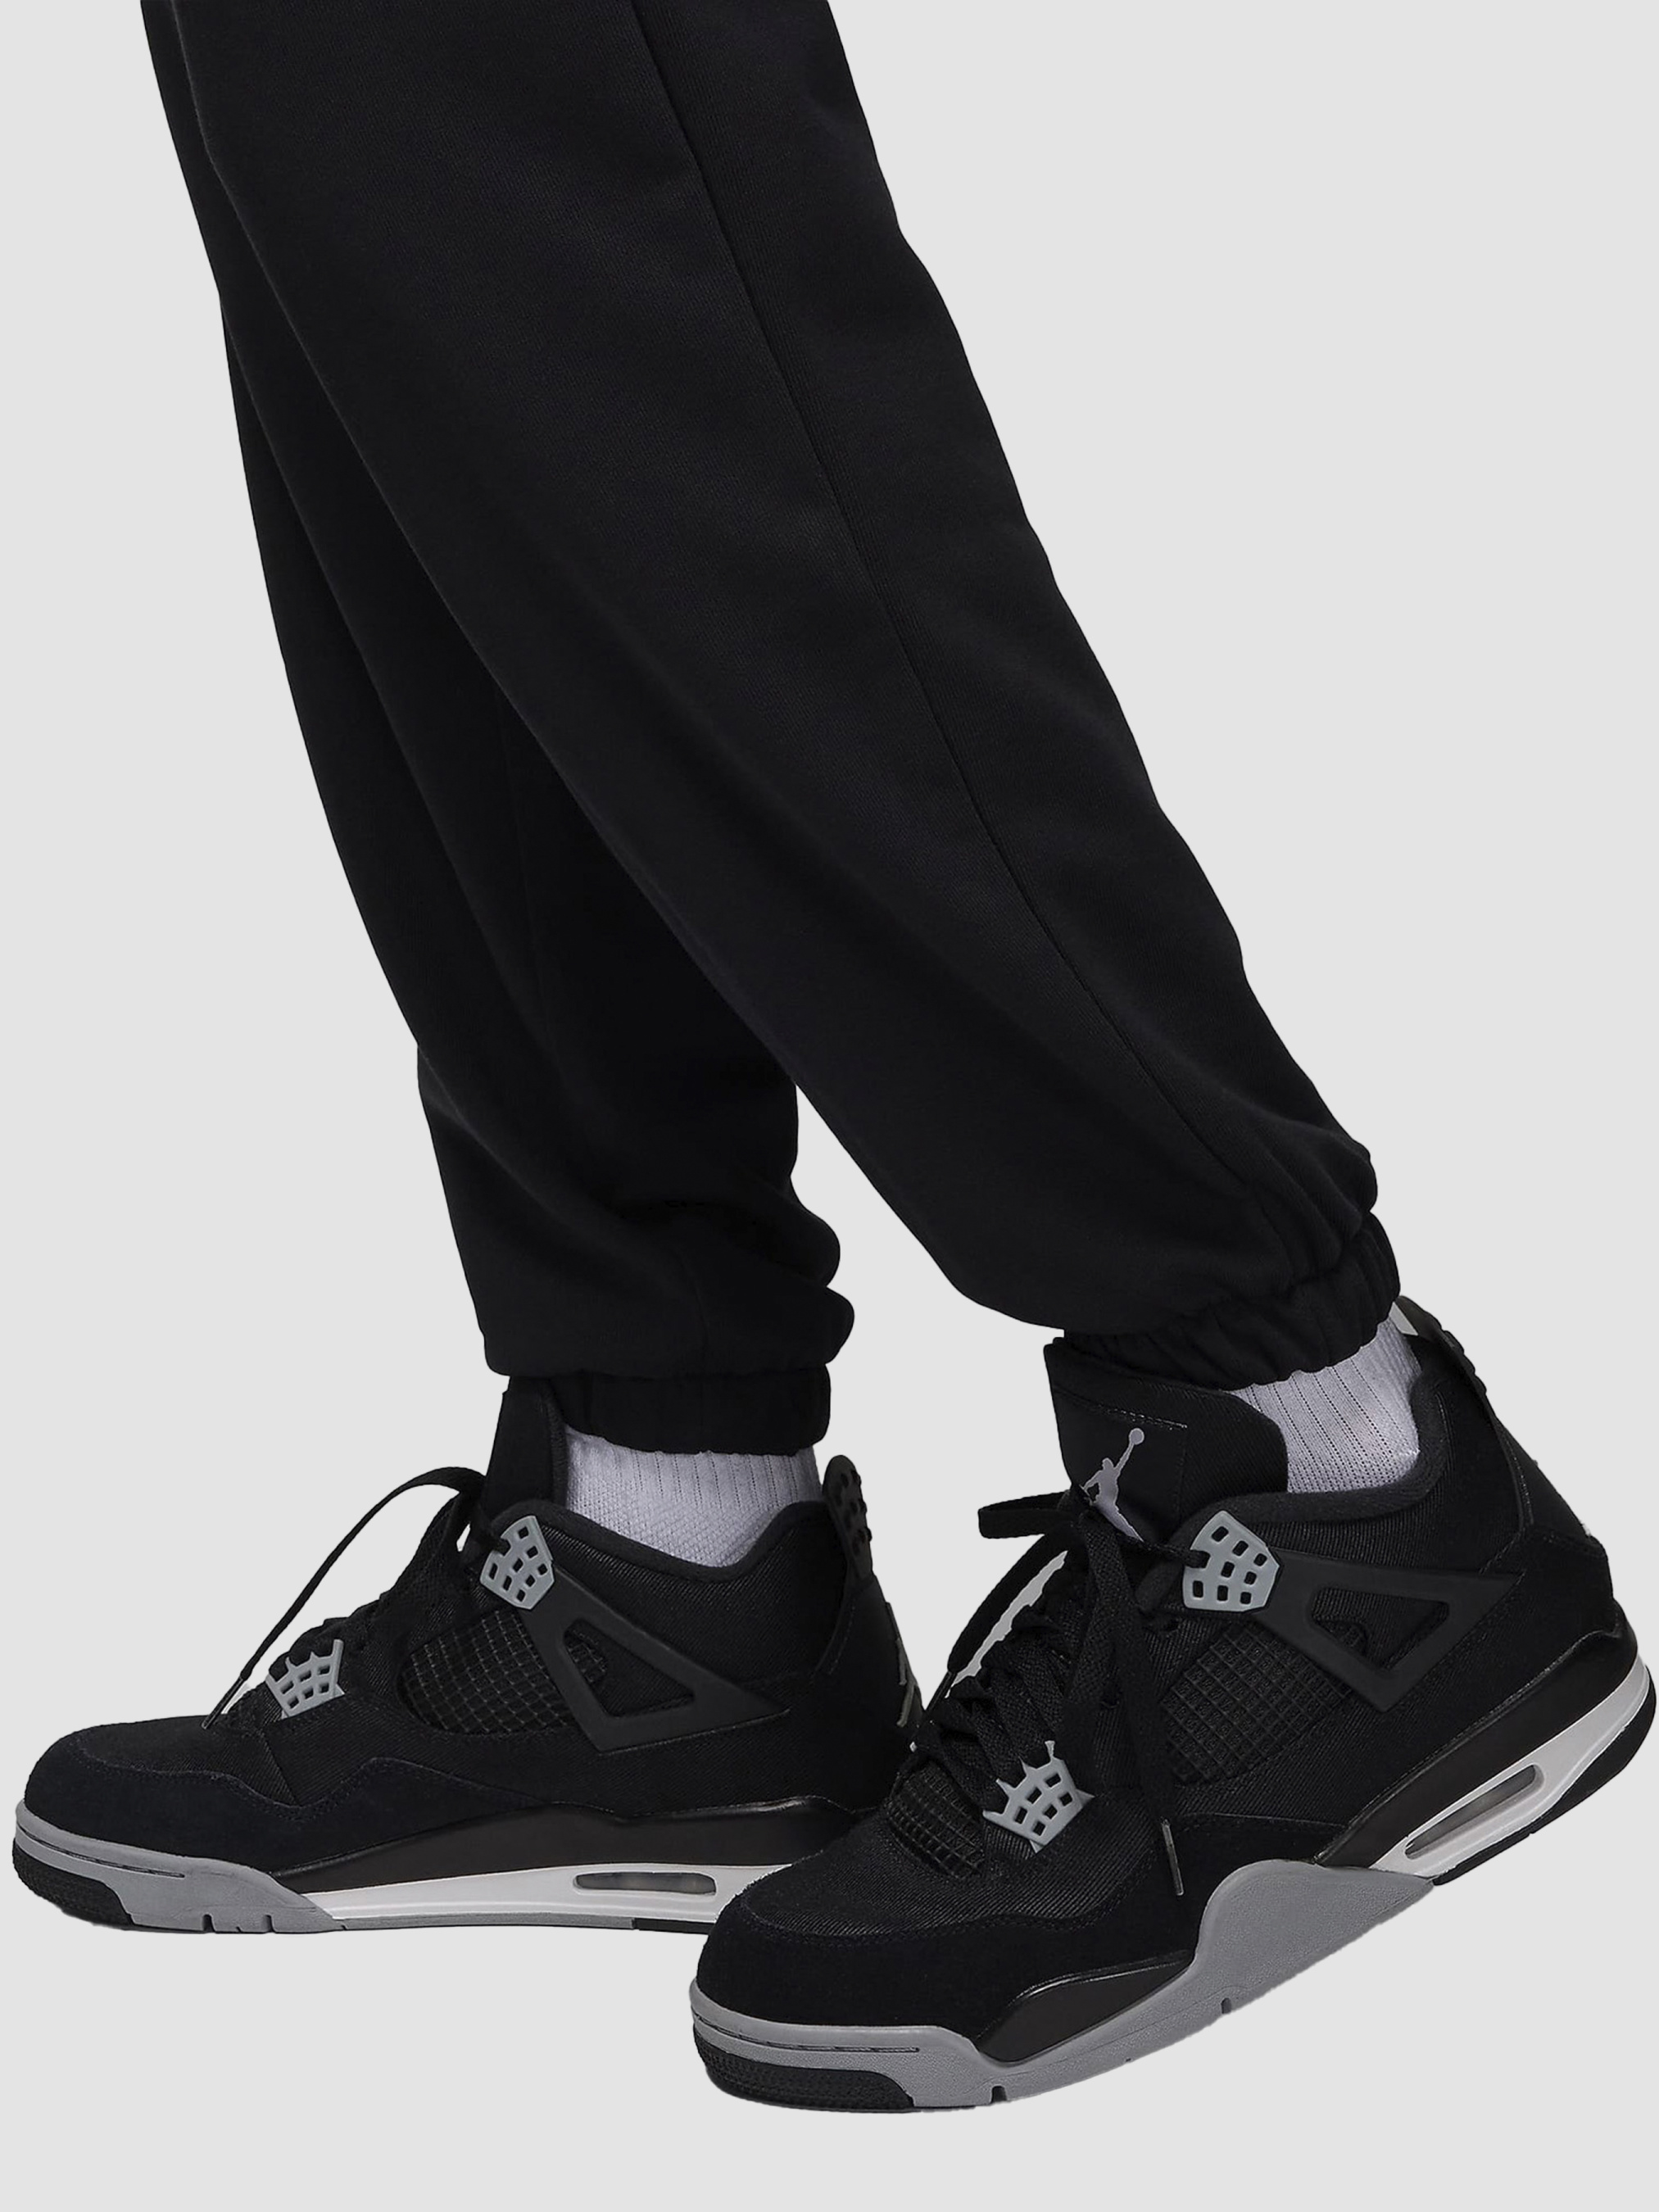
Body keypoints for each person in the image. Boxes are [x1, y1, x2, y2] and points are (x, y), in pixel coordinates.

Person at [14, 1, 1646, 2111]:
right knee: (365, 199)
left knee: (549, 154)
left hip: (1316, 1484)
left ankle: (1323, 1466)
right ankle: (666, 1562)